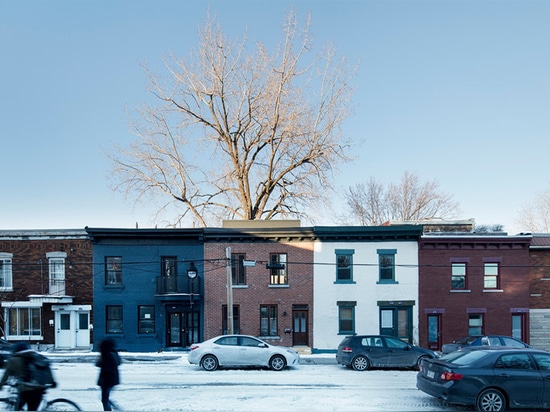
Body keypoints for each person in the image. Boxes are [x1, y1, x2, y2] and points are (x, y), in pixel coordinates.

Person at [0, 342, 56, 411]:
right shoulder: (38, 357)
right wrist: (52, 382)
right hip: (40, 388)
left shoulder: (14, 360)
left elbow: (6, 375)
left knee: (17, 409)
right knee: (32, 409)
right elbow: (47, 369)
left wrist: (1, 385)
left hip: (26, 390)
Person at [96, 338, 121, 411]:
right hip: (112, 379)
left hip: (107, 380)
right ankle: (113, 406)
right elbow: (118, 363)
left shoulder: (106, 355)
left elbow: (101, 366)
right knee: (105, 398)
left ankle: (109, 409)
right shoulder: (113, 352)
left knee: (104, 399)